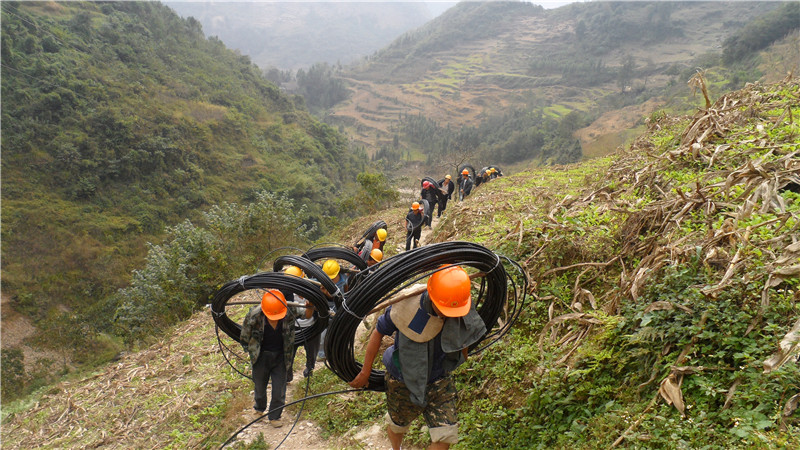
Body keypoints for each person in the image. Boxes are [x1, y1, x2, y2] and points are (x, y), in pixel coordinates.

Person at [349, 266, 487, 450]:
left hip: (439, 381)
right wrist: (365, 372)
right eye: (443, 309)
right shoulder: (408, 307)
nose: (448, 314)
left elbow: (466, 331)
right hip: (403, 380)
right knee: (398, 426)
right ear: (433, 296)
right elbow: (378, 332)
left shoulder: (458, 303)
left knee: (445, 437)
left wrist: (462, 354)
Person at [240, 289, 311, 427]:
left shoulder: (289, 310)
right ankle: (259, 409)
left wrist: (311, 305)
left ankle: (275, 416)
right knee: (260, 386)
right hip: (261, 356)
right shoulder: (254, 315)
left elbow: (307, 315)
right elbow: (244, 335)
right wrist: (250, 351)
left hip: (281, 356)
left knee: (279, 389)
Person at [284, 266, 319, 379]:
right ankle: (287, 375)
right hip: (293, 328)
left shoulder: (314, 289)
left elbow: (323, 306)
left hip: (311, 327)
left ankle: (309, 371)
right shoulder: (286, 293)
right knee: (289, 353)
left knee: (311, 353)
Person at [317, 259, 349, 361]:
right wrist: (325, 293)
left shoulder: (343, 279)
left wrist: (346, 298)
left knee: (340, 331)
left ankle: (339, 351)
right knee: (323, 332)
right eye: (328, 278)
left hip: (339, 308)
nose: (330, 280)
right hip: (326, 309)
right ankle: (322, 354)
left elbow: (346, 289)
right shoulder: (320, 282)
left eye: (333, 278)